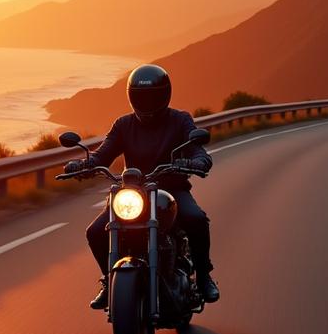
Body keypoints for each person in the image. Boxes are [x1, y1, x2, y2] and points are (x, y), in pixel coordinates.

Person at [65, 64, 220, 310]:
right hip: (133, 193)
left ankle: (203, 277)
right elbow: (102, 154)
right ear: (131, 97)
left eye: (152, 95)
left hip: (171, 190)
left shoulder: (180, 120)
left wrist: (198, 161)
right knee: (95, 231)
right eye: (140, 96)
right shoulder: (123, 125)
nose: (146, 102)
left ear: (164, 94)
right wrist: (83, 165)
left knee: (195, 218)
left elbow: (197, 149)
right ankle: (110, 282)